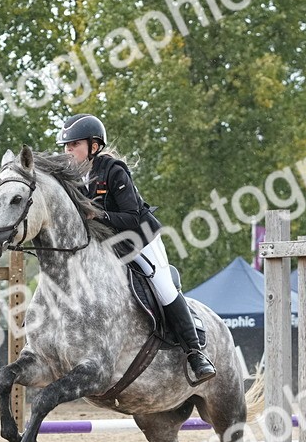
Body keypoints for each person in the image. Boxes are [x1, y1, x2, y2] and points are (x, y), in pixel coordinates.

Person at [56, 113, 216, 383]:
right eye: (66, 146)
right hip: (105, 244)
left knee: (162, 285)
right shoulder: (71, 179)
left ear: (94, 147)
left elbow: (131, 216)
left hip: (141, 238)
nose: (68, 151)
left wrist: (99, 216)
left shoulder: (113, 171)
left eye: (74, 145)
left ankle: (195, 353)